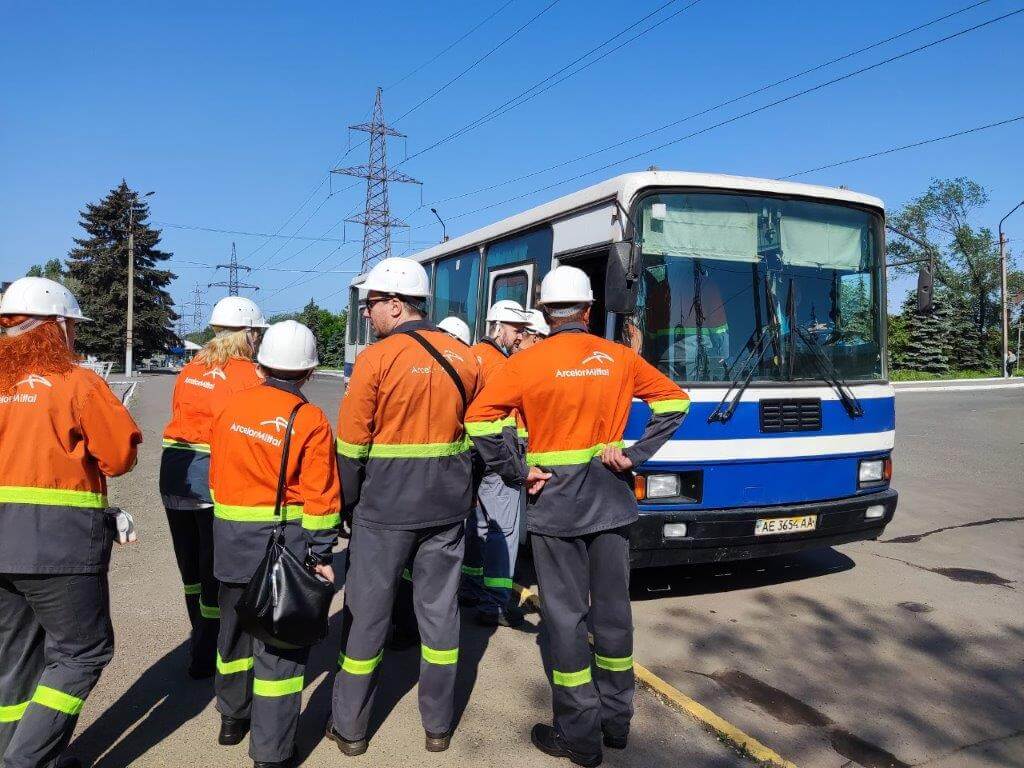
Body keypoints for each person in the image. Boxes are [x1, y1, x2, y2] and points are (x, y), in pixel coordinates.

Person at [465, 266, 689, 766]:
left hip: (554, 506)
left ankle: (579, 737)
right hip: (611, 503)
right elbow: (675, 402)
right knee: (614, 615)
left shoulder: (526, 362)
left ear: (545, 313)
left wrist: (516, 471)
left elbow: (478, 419)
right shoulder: (619, 358)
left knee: (565, 620)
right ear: (588, 310)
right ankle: (616, 723)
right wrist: (635, 455)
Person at [330, 257, 481, 756]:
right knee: (440, 617)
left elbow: (351, 444)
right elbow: (482, 434)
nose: (367, 312)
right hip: (448, 510)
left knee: (367, 618)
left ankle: (350, 729)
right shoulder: (465, 357)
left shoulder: (376, 359)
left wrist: (346, 506)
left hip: (384, 510)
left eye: (371, 303)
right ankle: (438, 727)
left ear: (396, 305)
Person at [0, 277, 142, 768]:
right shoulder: (77, 382)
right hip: (57, 546)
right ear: (58, 326)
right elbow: (119, 456)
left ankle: (14, 752)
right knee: (82, 653)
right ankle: (25, 762)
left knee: (15, 658)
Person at [208, 320, 341, 768]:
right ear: (309, 372)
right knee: (280, 652)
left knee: (233, 635)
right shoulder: (310, 419)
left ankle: (231, 719)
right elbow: (321, 498)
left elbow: (215, 477)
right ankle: (271, 752)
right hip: (283, 549)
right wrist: (321, 554)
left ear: (260, 366)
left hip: (230, 543)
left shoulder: (231, 407)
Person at [160, 296, 267, 679]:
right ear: (249, 334)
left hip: (174, 473)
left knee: (190, 569)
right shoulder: (250, 375)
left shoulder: (191, 369)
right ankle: (210, 651)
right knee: (214, 572)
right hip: (212, 478)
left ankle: (199, 642)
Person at [462, 299, 530, 627]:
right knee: (503, 528)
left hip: (468, 454)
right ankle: (495, 604)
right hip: (498, 456)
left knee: (476, 523)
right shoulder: (502, 366)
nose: (520, 336)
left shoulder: (469, 356)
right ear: (499, 327)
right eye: (516, 330)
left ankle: (470, 587)